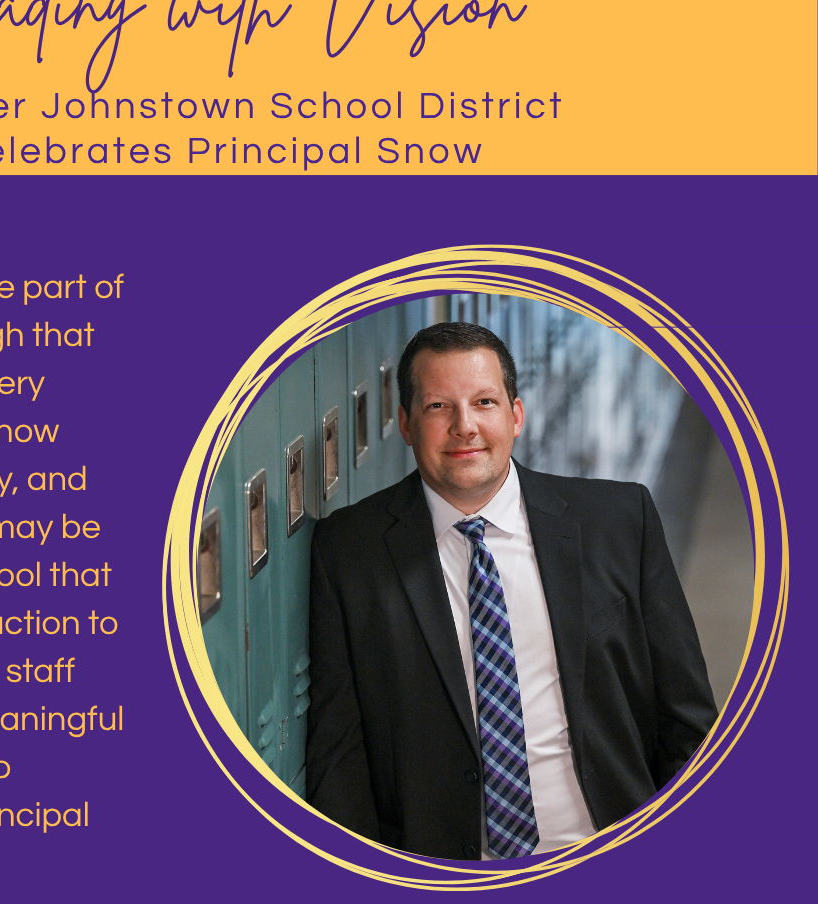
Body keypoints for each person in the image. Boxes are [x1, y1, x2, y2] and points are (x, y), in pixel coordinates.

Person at [306, 321, 718, 860]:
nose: (465, 426)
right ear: (405, 424)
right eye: (438, 407)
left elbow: (687, 718)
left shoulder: (618, 520)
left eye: (484, 402)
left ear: (515, 415)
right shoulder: (349, 551)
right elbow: (339, 756)